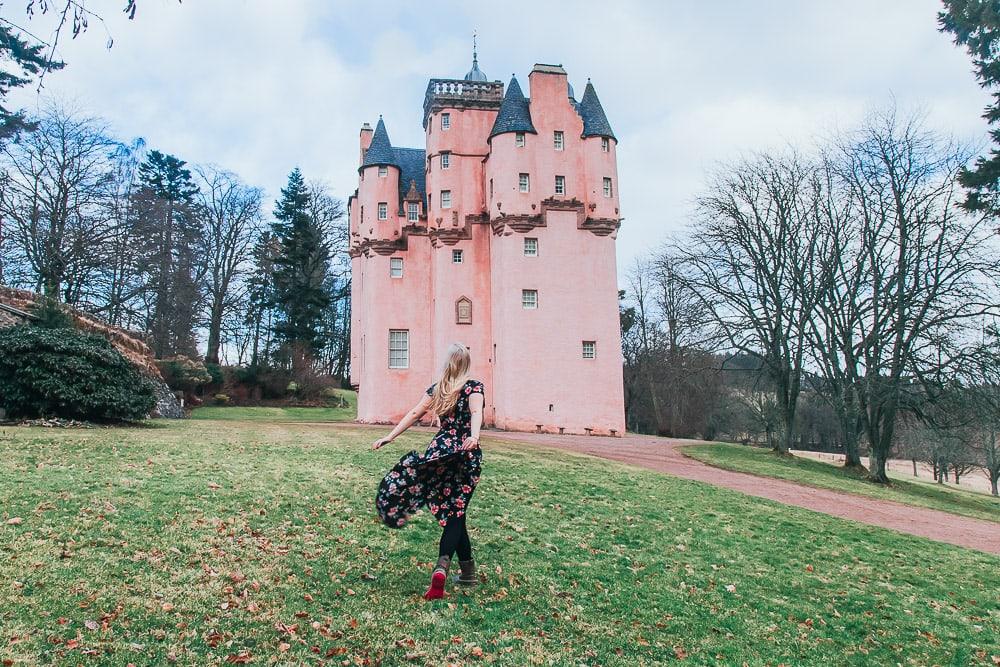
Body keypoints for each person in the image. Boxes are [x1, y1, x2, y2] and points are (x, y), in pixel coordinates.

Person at [372, 343, 485, 600]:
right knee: (457, 511)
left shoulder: (439, 390)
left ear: (447, 364)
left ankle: (467, 571)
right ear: (466, 364)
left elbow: (414, 413)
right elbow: (476, 411)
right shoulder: (473, 386)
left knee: (456, 512)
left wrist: (390, 436)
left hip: (439, 453)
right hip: (464, 455)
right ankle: (442, 566)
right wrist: (474, 436)